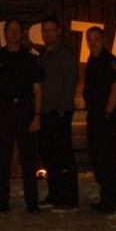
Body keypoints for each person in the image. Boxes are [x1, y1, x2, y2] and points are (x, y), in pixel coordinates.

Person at [0, 19, 44, 214]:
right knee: (2, 159)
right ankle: (2, 202)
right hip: (4, 110)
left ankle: (32, 202)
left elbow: (38, 89)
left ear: (22, 34)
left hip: (26, 110)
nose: (13, 34)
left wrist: (37, 116)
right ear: (5, 33)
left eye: (17, 31)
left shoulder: (30, 57)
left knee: (29, 159)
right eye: (10, 31)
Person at [38, 15, 80, 211]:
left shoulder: (65, 53)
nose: (48, 34)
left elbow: (71, 81)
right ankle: (54, 195)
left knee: (63, 157)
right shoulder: (44, 54)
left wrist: (62, 108)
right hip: (45, 112)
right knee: (50, 157)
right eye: (44, 30)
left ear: (59, 32)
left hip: (59, 112)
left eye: (51, 30)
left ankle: (69, 199)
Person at [83, 26, 116, 213]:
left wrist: (107, 111)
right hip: (94, 114)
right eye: (89, 39)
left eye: (96, 39)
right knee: (98, 157)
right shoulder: (92, 60)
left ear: (103, 40)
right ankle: (106, 197)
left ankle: (112, 200)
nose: (92, 43)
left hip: (105, 115)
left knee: (108, 158)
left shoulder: (109, 61)